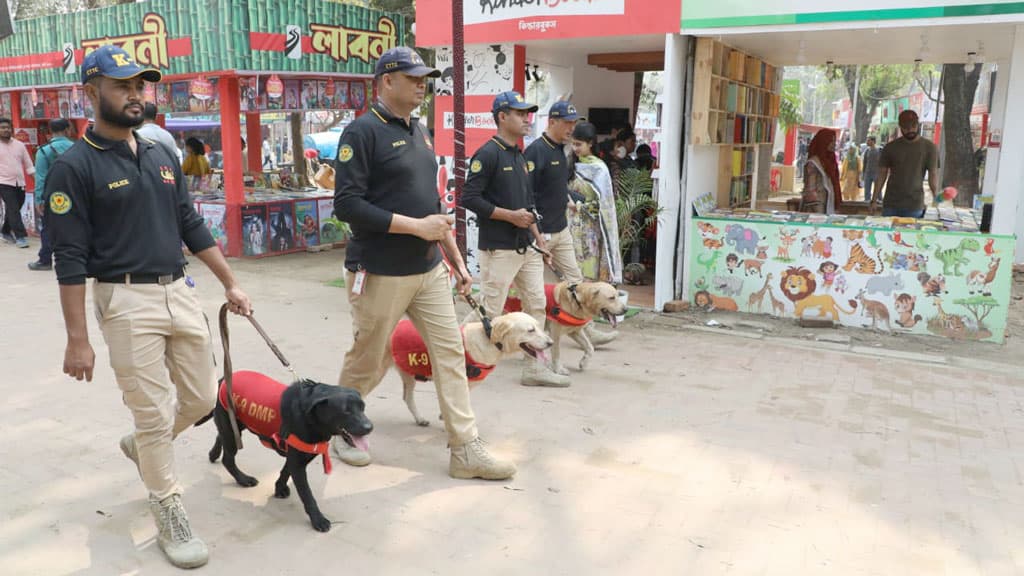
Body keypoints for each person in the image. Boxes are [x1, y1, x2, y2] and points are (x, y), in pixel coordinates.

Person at [45, 45, 252, 569]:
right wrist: (77, 338)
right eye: (123, 85)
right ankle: (168, 507)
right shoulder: (73, 167)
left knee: (205, 399)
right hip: (124, 298)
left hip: (178, 290)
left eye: (141, 85)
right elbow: (68, 259)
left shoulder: (162, 154)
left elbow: (189, 223)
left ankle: (144, 447)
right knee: (154, 414)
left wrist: (229, 282)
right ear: (91, 94)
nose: (135, 95)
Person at [331, 46, 515, 480]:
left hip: (429, 269)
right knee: (369, 360)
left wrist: (455, 262)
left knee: (450, 353)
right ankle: (340, 425)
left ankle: (465, 448)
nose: (422, 85)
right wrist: (417, 227)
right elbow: (347, 205)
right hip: (379, 271)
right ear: (386, 82)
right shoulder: (361, 133)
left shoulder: (420, 132)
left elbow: (432, 208)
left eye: (424, 79)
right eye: (413, 78)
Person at [462, 90, 570, 388]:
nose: (526, 119)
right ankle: (460, 358)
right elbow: (469, 198)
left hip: (528, 248)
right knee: (490, 311)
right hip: (500, 249)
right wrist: (510, 216)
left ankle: (534, 369)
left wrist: (540, 241)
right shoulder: (487, 154)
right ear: (501, 117)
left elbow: (528, 204)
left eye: (527, 113)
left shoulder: (519, 154)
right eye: (520, 113)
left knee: (536, 308)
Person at [524, 101, 616, 347]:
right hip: (539, 235)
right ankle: (532, 347)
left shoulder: (560, 151)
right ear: (551, 122)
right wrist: (536, 233)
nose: (571, 128)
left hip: (561, 230)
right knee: (536, 294)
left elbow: (558, 187)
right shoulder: (535, 152)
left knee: (577, 284)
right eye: (567, 123)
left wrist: (567, 201)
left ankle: (587, 327)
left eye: (574, 123)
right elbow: (526, 195)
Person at [568, 121, 622, 284]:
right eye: (573, 144)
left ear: (590, 143)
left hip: (590, 227)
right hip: (570, 224)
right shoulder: (570, 164)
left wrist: (578, 206)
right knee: (571, 272)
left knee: (589, 272)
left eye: (579, 144)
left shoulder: (599, 169)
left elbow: (604, 205)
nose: (575, 148)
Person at [873, 109, 938, 218]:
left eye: (913, 126)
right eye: (906, 128)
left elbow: (933, 175)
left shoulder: (930, 147)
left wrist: (936, 198)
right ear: (900, 127)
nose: (910, 130)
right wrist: (873, 200)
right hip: (891, 204)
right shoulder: (890, 147)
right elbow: (881, 175)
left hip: (914, 205)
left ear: (918, 125)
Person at [28, 118, 74, 271]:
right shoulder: (77, 148)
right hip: (76, 194)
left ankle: (45, 260)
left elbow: (40, 178)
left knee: (48, 228)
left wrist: (39, 199)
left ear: (51, 131)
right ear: (68, 129)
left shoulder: (43, 151)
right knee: (77, 226)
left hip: (53, 196)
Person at [0, 116, 35, 248]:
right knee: (13, 208)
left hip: (19, 183)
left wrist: (37, 183)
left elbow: (29, 165)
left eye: (8, 128)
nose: (6, 130)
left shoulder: (20, 145)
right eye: (3, 128)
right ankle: (21, 237)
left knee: (15, 207)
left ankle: (4, 231)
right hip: (3, 182)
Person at [799, 129, 843, 215]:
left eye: (834, 141)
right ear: (823, 142)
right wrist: (819, 214)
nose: (834, 144)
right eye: (831, 141)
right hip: (816, 208)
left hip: (827, 204)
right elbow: (811, 192)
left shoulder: (830, 161)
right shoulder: (814, 163)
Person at [862, 136, 881, 203]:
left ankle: (878, 200)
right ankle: (867, 199)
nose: (867, 142)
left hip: (876, 172)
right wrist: (863, 173)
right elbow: (865, 162)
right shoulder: (867, 151)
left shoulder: (879, 150)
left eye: (868, 140)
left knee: (878, 188)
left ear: (873, 141)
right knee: (867, 188)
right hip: (868, 172)